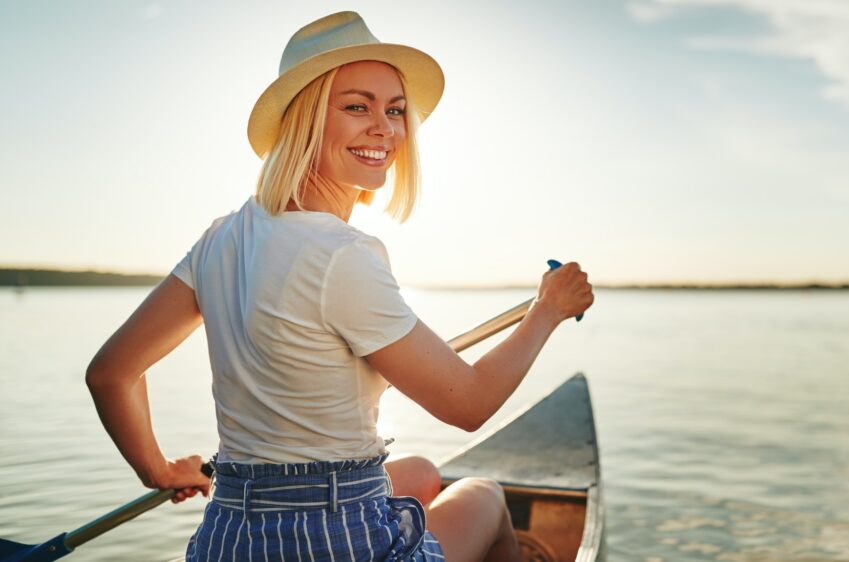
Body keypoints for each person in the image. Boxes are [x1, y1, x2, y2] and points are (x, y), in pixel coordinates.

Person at [86, 11, 593, 562]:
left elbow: (112, 374)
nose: (386, 128)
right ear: (305, 120)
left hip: (229, 535)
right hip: (335, 543)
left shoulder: (221, 238)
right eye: (358, 106)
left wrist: (157, 470)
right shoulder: (342, 255)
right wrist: (548, 309)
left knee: (421, 472)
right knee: (487, 497)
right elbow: (468, 405)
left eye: (395, 110)